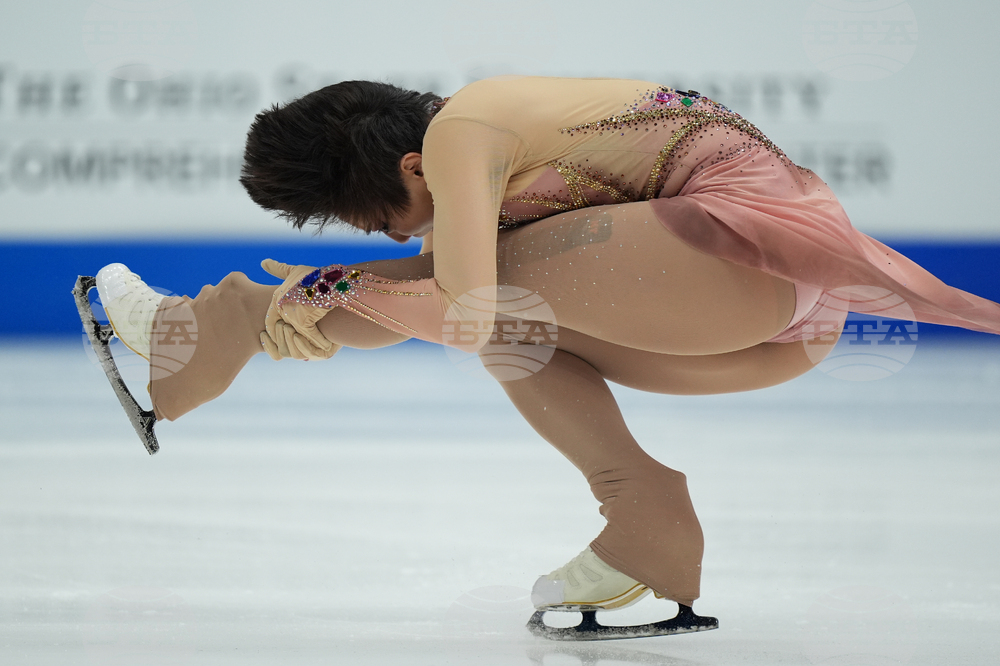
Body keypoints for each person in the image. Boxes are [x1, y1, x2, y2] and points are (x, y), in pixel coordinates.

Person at [93, 76, 1000, 633]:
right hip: (786, 325)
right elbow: (458, 301)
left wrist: (314, 297)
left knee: (478, 296)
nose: (382, 233)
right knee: (507, 321)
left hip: (737, 258)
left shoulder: (463, 131)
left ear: (409, 165)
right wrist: (329, 292)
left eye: (370, 217)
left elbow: (465, 303)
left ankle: (211, 327)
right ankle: (648, 518)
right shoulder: (476, 161)